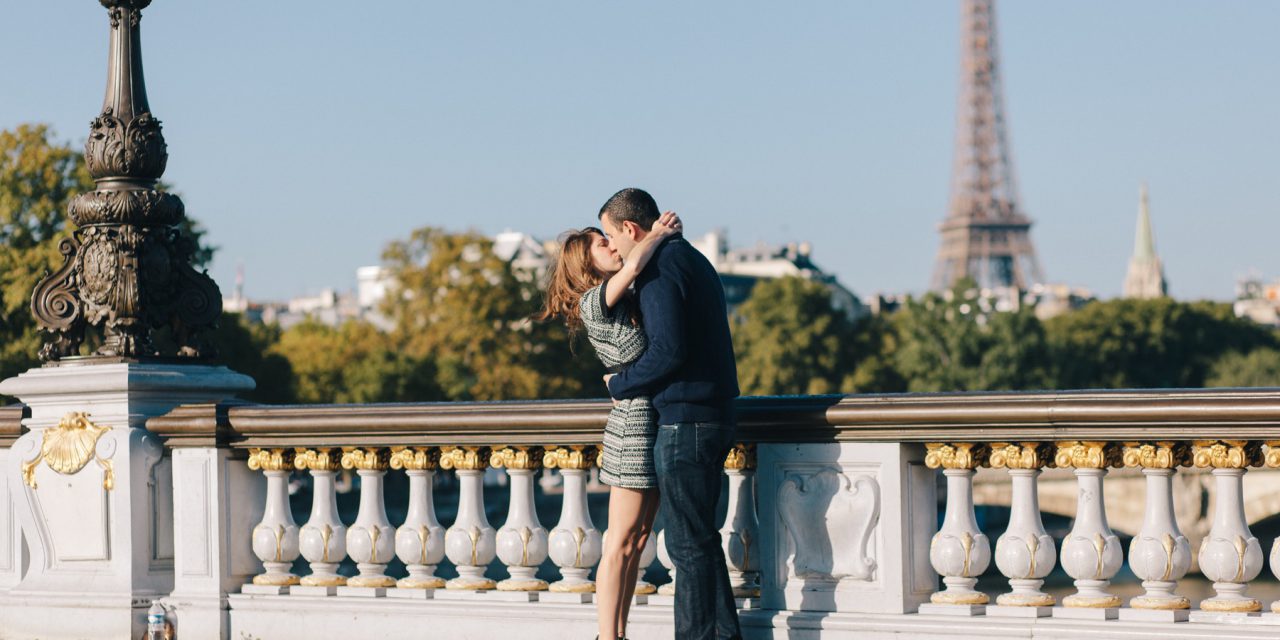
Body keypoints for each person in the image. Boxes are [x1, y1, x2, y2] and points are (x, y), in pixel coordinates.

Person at [600, 188, 742, 640]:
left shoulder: (661, 267)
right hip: (712, 411)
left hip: (686, 418)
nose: (616, 248)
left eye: (611, 236)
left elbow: (668, 350)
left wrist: (620, 384)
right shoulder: (690, 258)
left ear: (629, 228)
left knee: (687, 546)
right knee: (700, 541)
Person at [538, 210, 684, 640]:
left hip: (649, 418)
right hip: (633, 425)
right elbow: (637, 262)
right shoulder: (593, 302)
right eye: (604, 245)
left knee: (637, 541)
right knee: (620, 542)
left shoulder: (622, 301)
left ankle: (616, 633)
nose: (613, 246)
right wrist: (656, 234)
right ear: (587, 265)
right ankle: (608, 636)